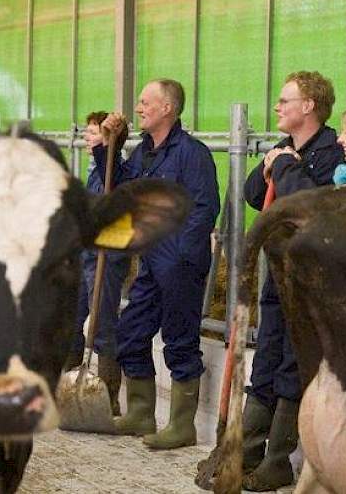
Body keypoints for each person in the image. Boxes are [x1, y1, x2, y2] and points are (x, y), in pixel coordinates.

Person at [93, 79, 219, 450]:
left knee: (180, 340)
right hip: (150, 258)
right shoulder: (144, 152)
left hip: (179, 262)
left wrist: (181, 257)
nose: (139, 107)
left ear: (167, 108)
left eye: (145, 102)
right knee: (131, 333)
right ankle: (141, 414)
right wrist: (107, 147)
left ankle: (182, 426)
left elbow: (203, 209)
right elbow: (118, 186)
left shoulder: (191, 154)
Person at [238, 71, 345, 491]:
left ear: (309, 107)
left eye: (286, 101)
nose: (278, 107)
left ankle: (278, 459)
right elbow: (251, 194)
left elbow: (310, 206)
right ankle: (244, 448)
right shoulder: (284, 148)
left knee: (289, 359)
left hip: (308, 276)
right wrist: (271, 165)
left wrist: (283, 168)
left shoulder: (333, 154)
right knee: (265, 352)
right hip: (277, 267)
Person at [63, 111, 132, 416]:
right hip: (85, 254)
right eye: (88, 133)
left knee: (103, 324)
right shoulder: (94, 170)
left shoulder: (113, 168)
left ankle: (108, 397)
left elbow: (111, 172)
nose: (86, 138)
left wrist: (109, 141)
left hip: (106, 256)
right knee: (71, 317)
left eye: (94, 133)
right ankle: (69, 385)